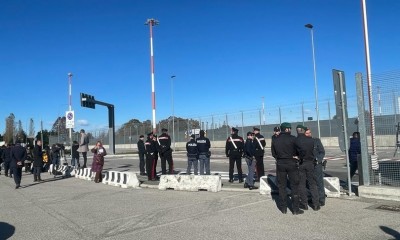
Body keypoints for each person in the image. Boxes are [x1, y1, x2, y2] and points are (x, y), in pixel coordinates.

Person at [271, 122, 303, 215]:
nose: (290, 130)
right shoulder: (293, 139)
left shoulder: (275, 140)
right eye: (289, 128)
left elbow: (273, 153)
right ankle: (295, 209)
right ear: (287, 129)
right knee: (294, 186)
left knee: (282, 186)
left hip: (280, 163)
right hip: (291, 163)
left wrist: (279, 157)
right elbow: (300, 150)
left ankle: (283, 208)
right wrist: (296, 156)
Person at [295, 125, 320, 211]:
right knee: (312, 184)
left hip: (301, 163)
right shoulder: (311, 140)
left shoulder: (296, 140)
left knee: (301, 184)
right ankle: (316, 204)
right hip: (310, 163)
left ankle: (304, 204)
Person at [306, 128, 326, 206]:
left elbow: (322, 151)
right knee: (309, 182)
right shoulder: (303, 142)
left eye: (309, 133)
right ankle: (312, 198)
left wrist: (318, 159)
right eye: (307, 133)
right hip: (308, 165)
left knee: (319, 182)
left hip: (317, 165)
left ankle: (321, 199)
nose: (309, 134)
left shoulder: (316, 140)